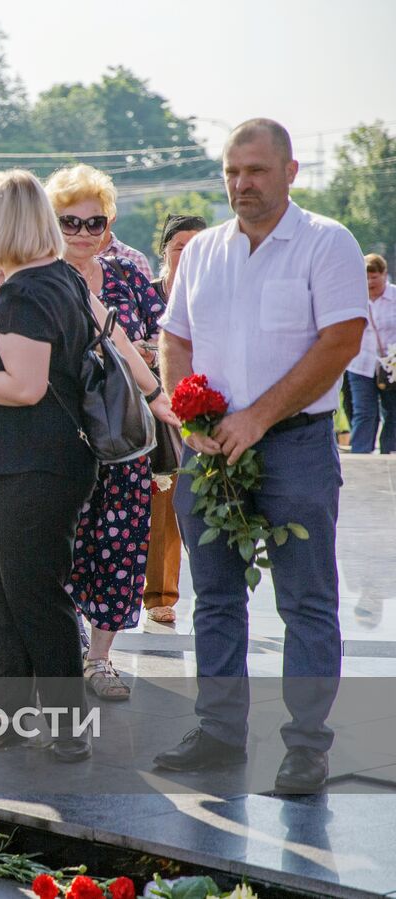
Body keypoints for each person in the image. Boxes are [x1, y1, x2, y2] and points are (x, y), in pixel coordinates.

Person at [0, 169, 174, 762]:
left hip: (35, 464)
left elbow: (25, 386)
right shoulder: (56, 277)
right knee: (4, 591)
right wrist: (157, 393)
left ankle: (65, 725)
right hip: (15, 462)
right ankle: (7, 714)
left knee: (33, 594)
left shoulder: (26, 291)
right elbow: (112, 332)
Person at [156, 119, 367, 793]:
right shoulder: (202, 251)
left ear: (290, 171)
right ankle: (218, 732)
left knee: (306, 597)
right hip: (211, 448)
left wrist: (258, 416)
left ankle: (306, 745)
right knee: (214, 596)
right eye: (231, 171)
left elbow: (340, 341)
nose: (242, 183)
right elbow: (175, 338)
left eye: (256, 170)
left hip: (295, 444)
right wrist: (189, 418)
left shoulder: (326, 242)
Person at [46, 164, 167, 702]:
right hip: (56, 432)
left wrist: (148, 361)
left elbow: (161, 342)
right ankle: (17, 643)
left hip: (119, 435)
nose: (81, 234)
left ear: (109, 224)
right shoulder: (36, 278)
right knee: (49, 544)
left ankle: (100, 658)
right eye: (68, 222)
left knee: (119, 546)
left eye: (94, 223)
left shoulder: (130, 279)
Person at [144, 214, 207, 624]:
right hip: (152, 410)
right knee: (162, 502)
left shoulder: (215, 293)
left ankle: (211, 589)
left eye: (196, 245)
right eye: (179, 245)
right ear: (164, 250)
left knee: (201, 501)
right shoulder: (145, 294)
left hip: (204, 409)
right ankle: (160, 595)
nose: (187, 252)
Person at [346, 253, 396, 454]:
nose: (369, 282)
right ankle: (360, 454)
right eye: (365, 277)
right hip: (361, 363)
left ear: (384, 274)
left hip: (391, 365)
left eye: (374, 276)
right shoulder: (352, 298)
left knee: (392, 410)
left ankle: (390, 453)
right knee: (364, 412)